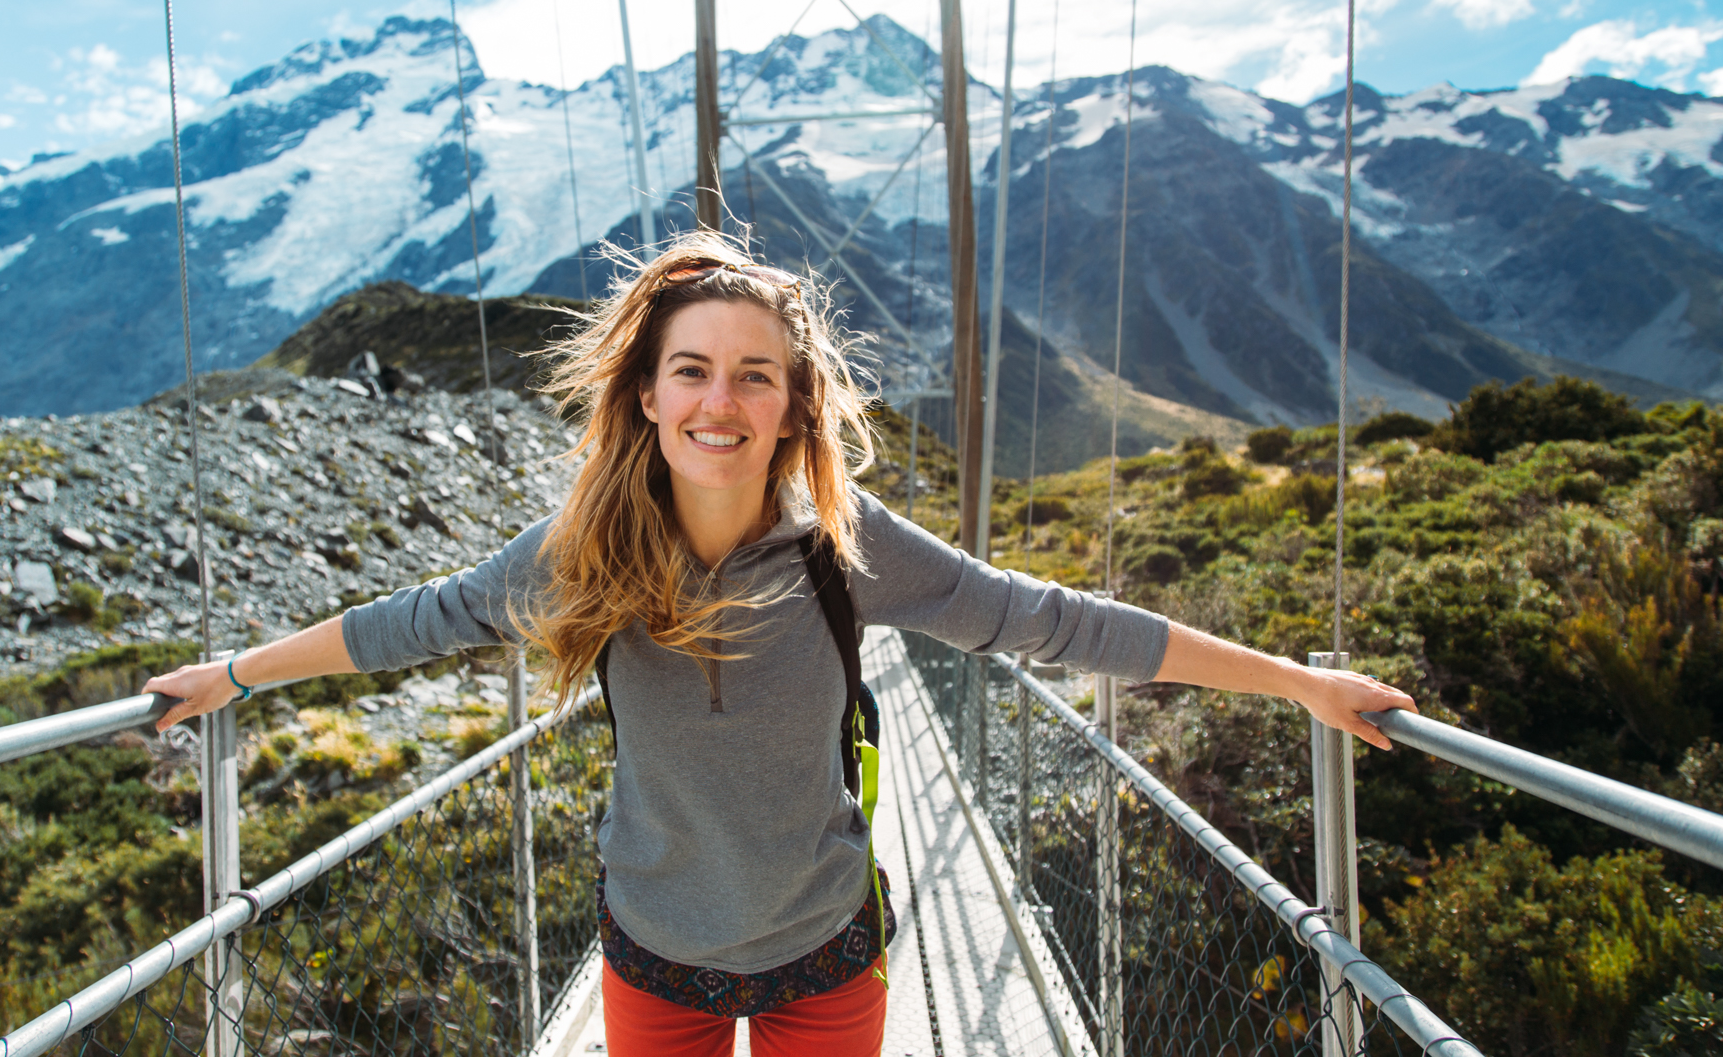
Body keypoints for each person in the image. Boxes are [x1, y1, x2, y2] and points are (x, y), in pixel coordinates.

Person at [144, 236, 1416, 1057]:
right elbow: (413, 622)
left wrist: (1297, 683)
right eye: (690, 370)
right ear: (643, 393)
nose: (719, 401)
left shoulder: (844, 547)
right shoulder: (577, 553)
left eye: (756, 375)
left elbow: (1056, 620)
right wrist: (235, 676)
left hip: (825, 953)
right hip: (653, 959)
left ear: (795, 400)